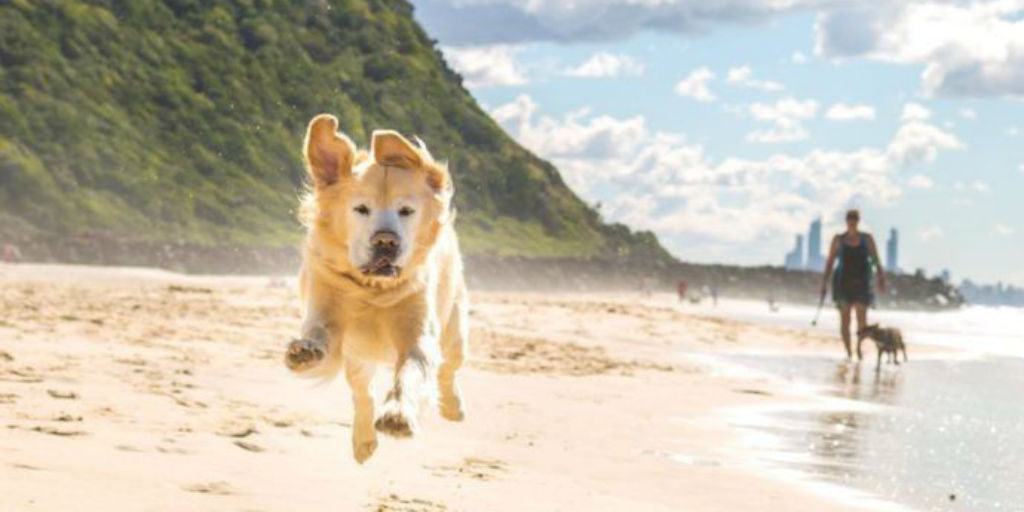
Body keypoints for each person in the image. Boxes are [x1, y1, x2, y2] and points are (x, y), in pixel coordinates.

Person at [820, 209, 886, 360]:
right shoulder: (838, 239)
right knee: (845, 321)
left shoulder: (867, 239)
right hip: (842, 284)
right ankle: (849, 352)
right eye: (850, 218)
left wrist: (881, 277)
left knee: (862, 321)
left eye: (854, 218)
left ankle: (858, 350)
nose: (852, 221)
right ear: (846, 220)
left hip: (862, 283)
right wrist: (824, 283)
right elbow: (830, 262)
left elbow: (875, 258)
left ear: (858, 220)